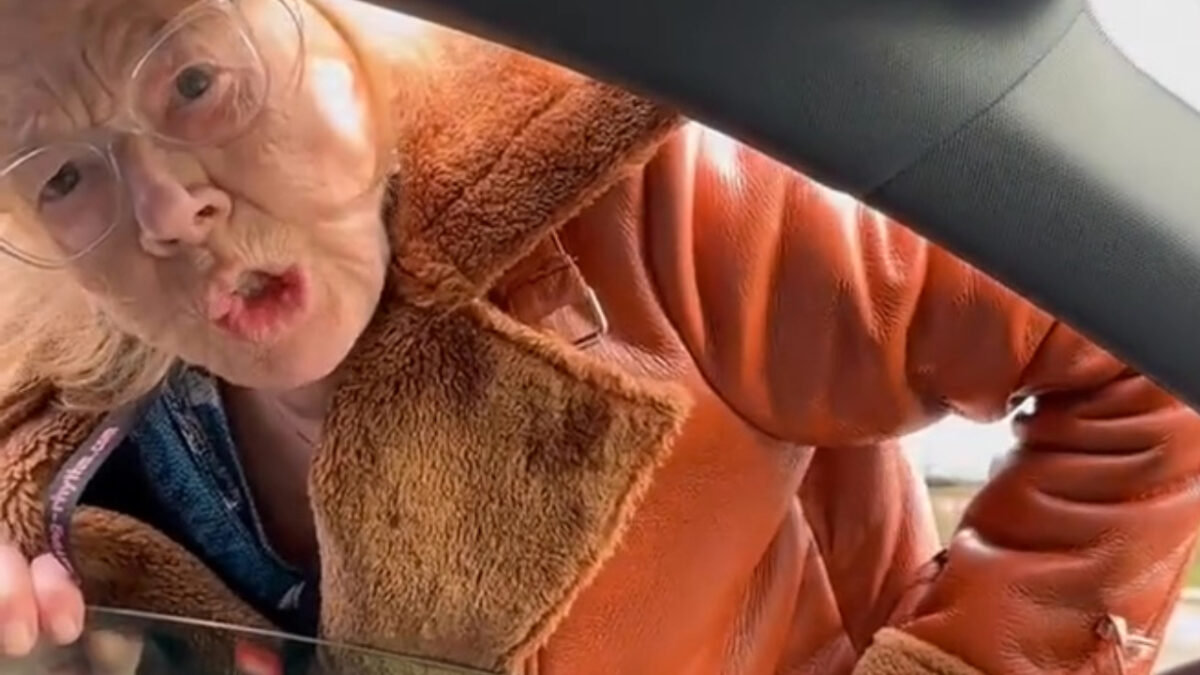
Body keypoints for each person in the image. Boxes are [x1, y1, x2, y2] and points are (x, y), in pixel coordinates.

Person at [0, 0, 1196, 673]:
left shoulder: (645, 216)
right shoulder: (53, 383)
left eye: (195, 83)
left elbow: (1142, 354)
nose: (165, 212)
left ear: (347, 41)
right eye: (61, 176)